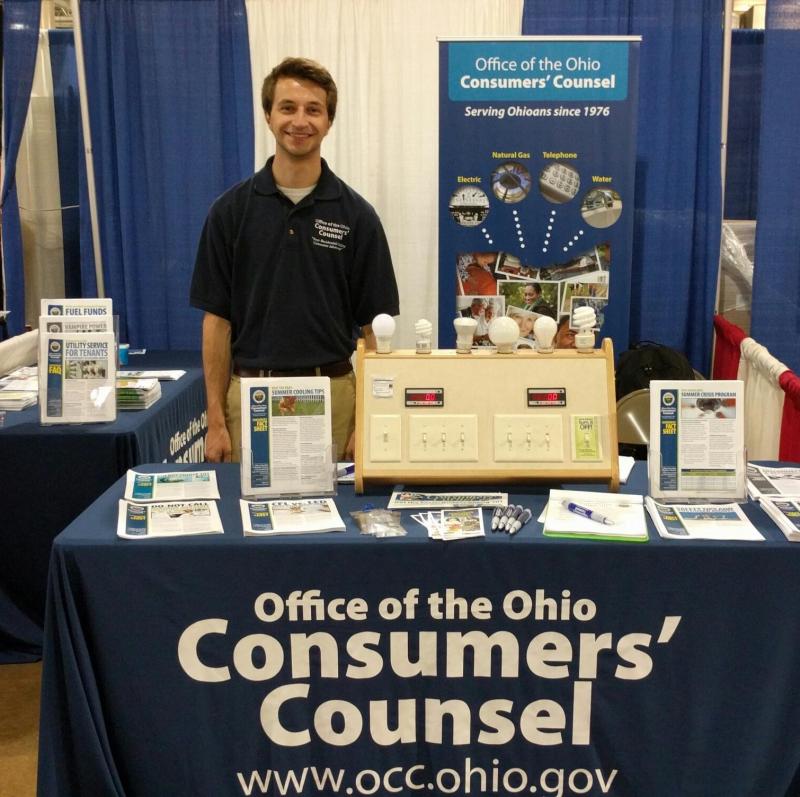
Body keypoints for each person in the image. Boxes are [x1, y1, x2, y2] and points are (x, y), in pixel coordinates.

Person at [190, 57, 399, 463]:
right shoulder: (229, 212)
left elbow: (375, 331)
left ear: (328, 121)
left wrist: (366, 419)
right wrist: (215, 419)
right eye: (287, 107)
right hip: (249, 399)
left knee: (335, 524)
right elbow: (216, 323)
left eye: (313, 109)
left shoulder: (358, 216)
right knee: (248, 523)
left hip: (335, 397)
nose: (299, 121)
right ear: (268, 116)